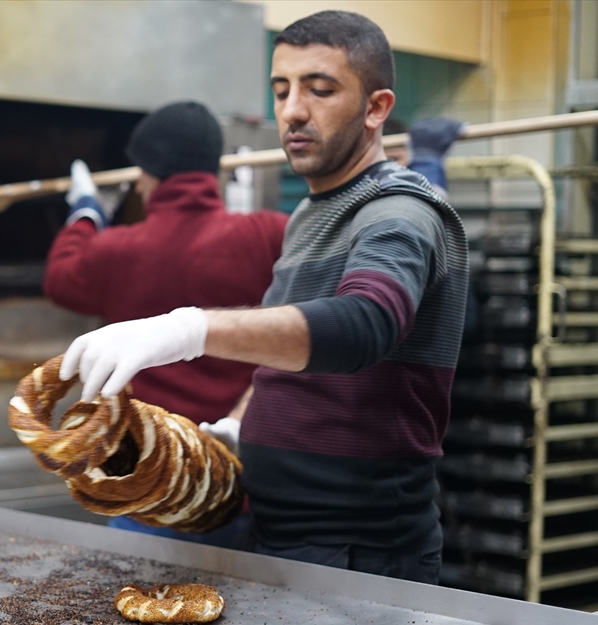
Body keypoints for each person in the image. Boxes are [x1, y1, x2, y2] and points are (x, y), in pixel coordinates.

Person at [57, 11, 468, 584]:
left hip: (356, 552)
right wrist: (237, 427)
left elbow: (362, 323)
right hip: (275, 531)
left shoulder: (399, 213)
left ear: (377, 108)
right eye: (282, 90)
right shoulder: (307, 217)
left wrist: (187, 329)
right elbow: (287, 357)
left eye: (320, 89)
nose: (293, 110)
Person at [43, 101, 288, 547]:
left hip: (148, 489)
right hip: (242, 481)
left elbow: (61, 277)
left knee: (138, 606)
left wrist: (85, 212)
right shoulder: (269, 233)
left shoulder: (116, 250)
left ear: (148, 173)